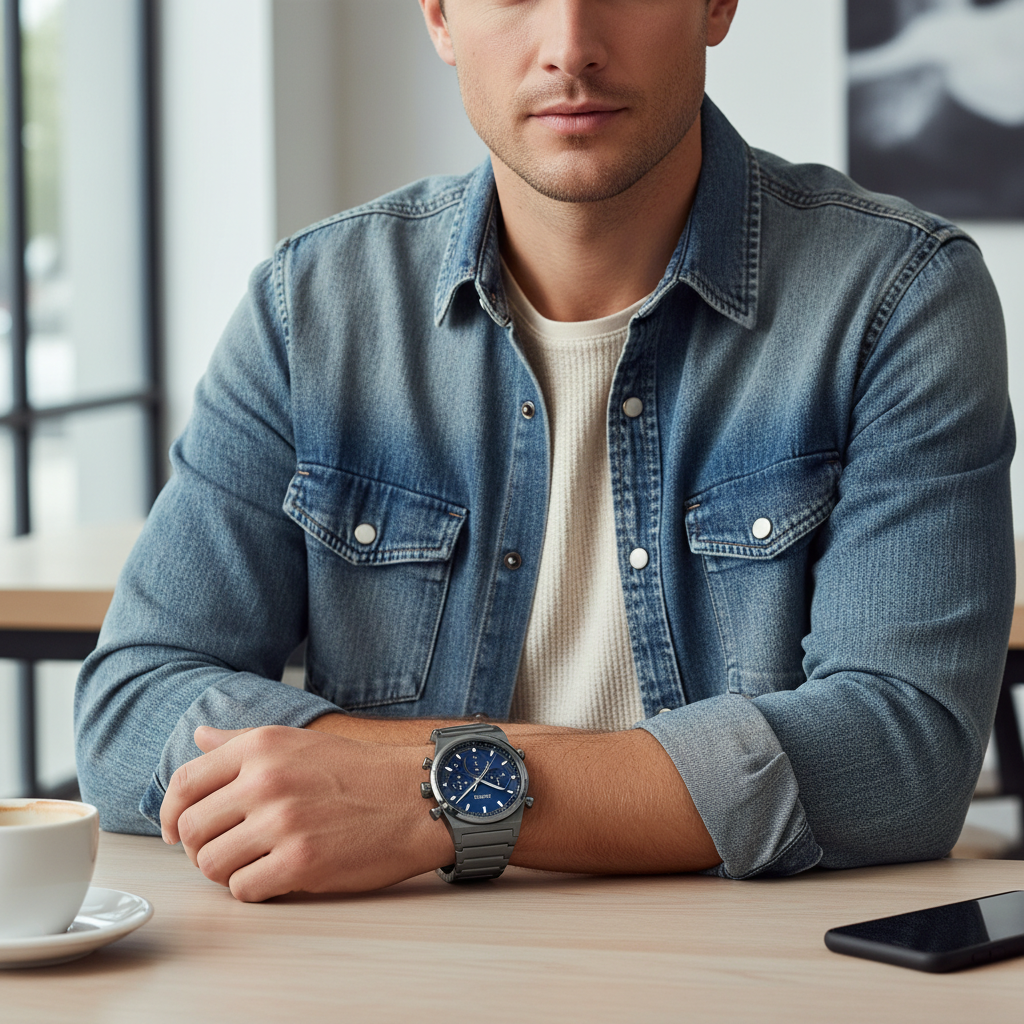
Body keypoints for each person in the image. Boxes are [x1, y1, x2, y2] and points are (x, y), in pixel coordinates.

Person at [75, 0, 1015, 903]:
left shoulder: (897, 297)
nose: (571, 43)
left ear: (717, 5)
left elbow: (901, 750)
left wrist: (433, 797)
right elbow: (133, 702)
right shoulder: (313, 307)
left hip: (753, 971)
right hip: (395, 962)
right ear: (440, 15)